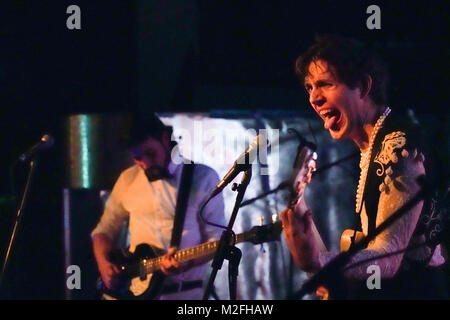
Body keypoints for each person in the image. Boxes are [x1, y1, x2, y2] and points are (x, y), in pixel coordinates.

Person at [280, 35, 448, 299]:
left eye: (325, 84)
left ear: (363, 86)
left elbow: (388, 261)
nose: (314, 98)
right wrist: (299, 206)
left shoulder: (397, 146)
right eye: (309, 87)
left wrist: (317, 263)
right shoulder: (372, 148)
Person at [91, 113, 225, 300]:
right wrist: (104, 264)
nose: (145, 163)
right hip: (135, 294)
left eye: (150, 153)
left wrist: (188, 262)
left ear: (164, 138)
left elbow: (217, 241)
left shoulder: (203, 178)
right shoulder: (128, 179)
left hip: (184, 295)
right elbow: (103, 231)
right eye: (137, 158)